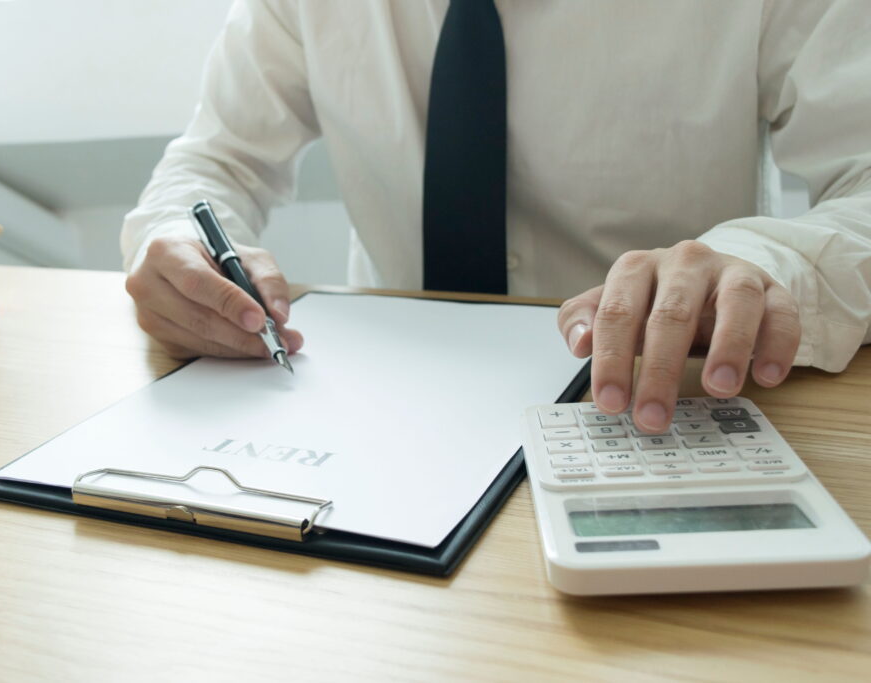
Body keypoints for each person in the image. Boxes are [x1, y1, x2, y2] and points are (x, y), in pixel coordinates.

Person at [122, 0, 871, 433]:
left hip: (662, 402)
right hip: (389, 408)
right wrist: (175, 240)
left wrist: (764, 269)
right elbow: (213, 163)